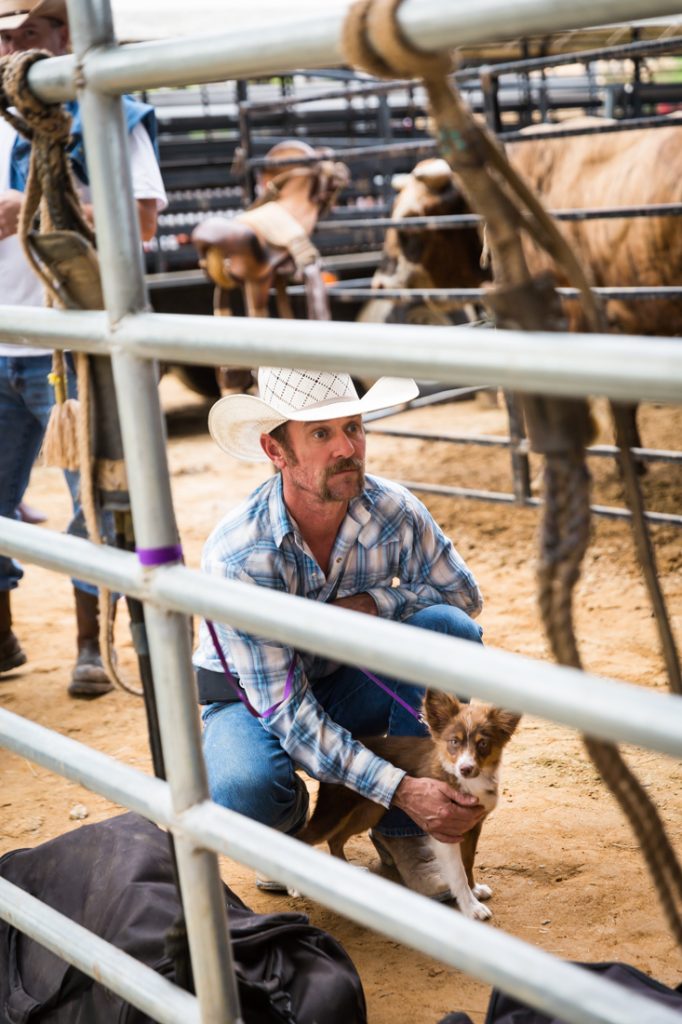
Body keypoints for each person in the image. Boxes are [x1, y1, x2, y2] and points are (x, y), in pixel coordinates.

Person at [193, 366, 487, 899]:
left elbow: (463, 599)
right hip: (253, 699)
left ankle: (402, 839)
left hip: (346, 679)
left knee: (447, 630)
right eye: (322, 434)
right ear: (276, 451)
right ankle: (288, 840)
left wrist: (376, 603)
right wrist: (401, 788)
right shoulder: (241, 554)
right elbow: (285, 711)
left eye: (354, 426)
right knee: (246, 788)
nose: (347, 447)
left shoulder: (395, 510)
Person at [0, 0, 167, 695]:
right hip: (8, 335)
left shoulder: (103, 109)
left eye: (27, 32)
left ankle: (91, 646)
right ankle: (5, 637)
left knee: (98, 496)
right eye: (3, 34)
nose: (9, 46)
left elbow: (143, 221)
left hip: (71, 344)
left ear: (63, 36)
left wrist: (31, 209)